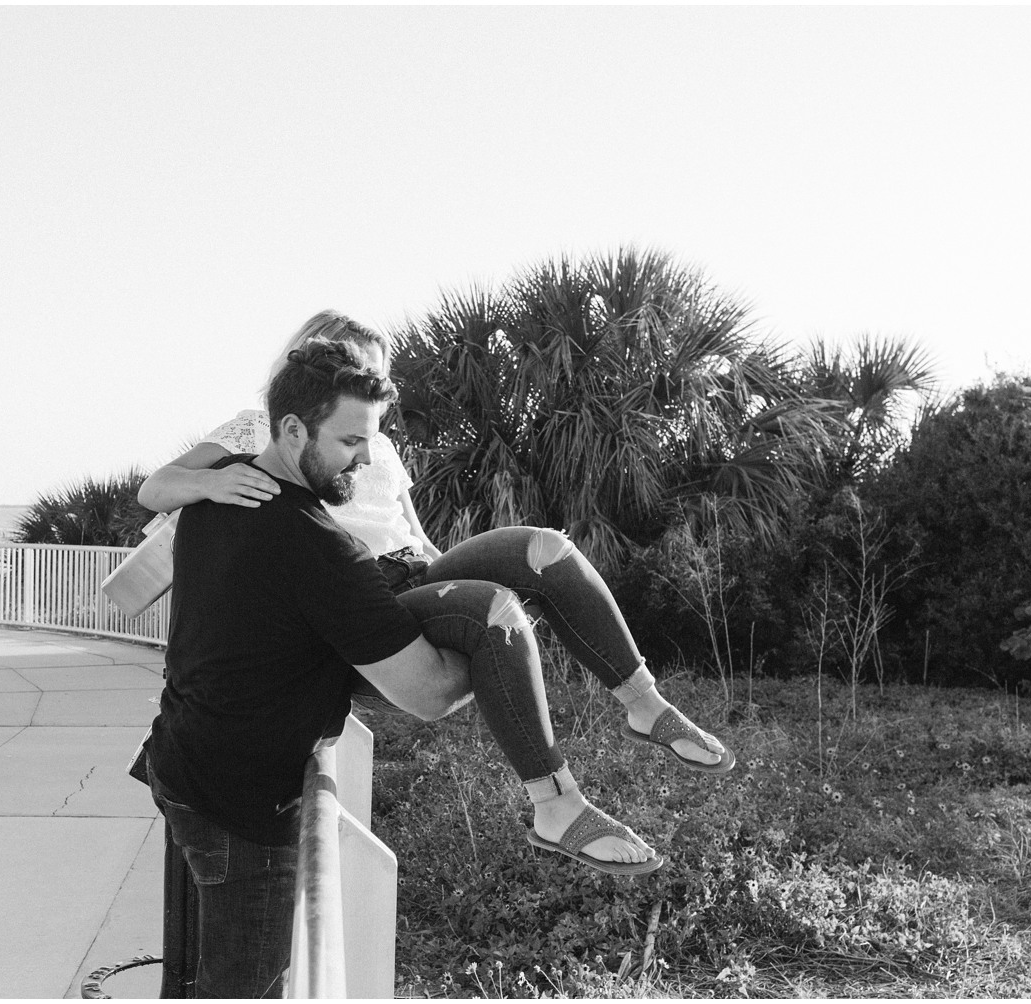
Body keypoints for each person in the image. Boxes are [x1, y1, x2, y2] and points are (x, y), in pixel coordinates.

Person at [146, 340, 663, 998]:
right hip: (244, 808)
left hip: (182, 761)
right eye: (351, 441)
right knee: (243, 988)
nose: (367, 459)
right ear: (292, 428)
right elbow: (428, 694)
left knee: (202, 966)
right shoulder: (322, 551)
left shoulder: (221, 494)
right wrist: (483, 641)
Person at [138, 310, 735, 777]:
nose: (370, 386)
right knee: (492, 610)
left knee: (544, 550)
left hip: (415, 573)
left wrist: (457, 572)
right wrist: (211, 481)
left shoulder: (380, 448)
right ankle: (554, 798)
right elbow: (154, 489)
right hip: (361, 595)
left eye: (376, 373)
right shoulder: (262, 426)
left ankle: (646, 704)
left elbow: (413, 532)